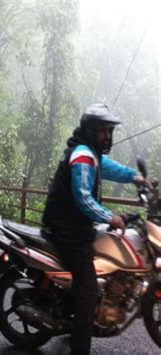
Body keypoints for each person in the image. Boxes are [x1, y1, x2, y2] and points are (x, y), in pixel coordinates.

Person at [41, 103, 145, 355]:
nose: (107, 137)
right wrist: (111, 217)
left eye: (109, 131)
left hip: (76, 226)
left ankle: (74, 312)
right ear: (90, 131)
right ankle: (79, 348)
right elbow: (83, 198)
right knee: (88, 288)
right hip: (67, 230)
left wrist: (136, 178)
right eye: (102, 131)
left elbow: (112, 169)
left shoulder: (93, 153)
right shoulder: (83, 155)